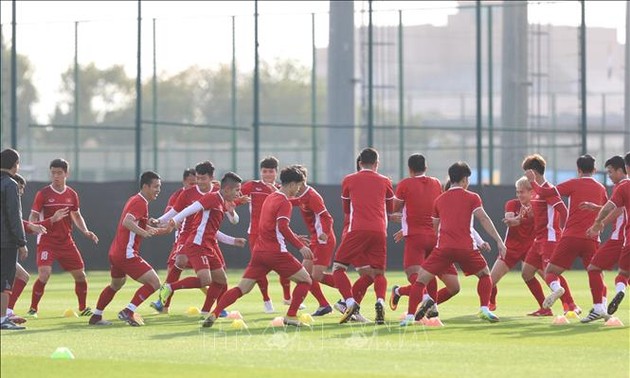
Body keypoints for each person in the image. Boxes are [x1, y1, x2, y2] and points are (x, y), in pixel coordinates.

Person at [201, 165, 313, 328]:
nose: (298, 189)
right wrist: (300, 246)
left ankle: (215, 313)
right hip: (276, 253)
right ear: (291, 184)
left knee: (242, 288)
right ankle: (291, 316)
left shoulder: (271, 197)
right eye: (298, 185)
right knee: (306, 281)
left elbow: (270, 226)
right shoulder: (284, 202)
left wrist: (294, 236)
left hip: (259, 252)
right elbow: (282, 227)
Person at [403, 161, 506, 325]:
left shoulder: (439, 200)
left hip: (443, 249)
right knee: (485, 275)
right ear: (465, 180)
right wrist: (499, 241)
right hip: (467, 248)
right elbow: (484, 219)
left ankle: (408, 317)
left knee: (421, 280)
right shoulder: (473, 197)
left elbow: (435, 228)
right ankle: (484, 309)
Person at [525, 155, 608, 318]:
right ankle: (600, 307)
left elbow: (544, 192)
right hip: (592, 237)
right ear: (595, 170)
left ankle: (557, 289)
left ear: (578, 170)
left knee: (551, 272)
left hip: (570, 237)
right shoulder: (601, 188)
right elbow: (606, 209)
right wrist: (599, 224)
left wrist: (533, 181)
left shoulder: (573, 183)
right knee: (596, 272)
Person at [157, 172, 247, 316]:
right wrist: (175, 219)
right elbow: (191, 208)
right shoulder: (212, 198)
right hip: (197, 244)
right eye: (237, 189)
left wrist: (233, 241)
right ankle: (169, 287)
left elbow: (214, 229)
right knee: (205, 280)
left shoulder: (221, 202)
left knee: (221, 280)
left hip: (209, 246)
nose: (239, 193)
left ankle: (205, 312)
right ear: (227, 189)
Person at [88, 171, 170, 326]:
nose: (158, 190)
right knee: (154, 282)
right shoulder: (140, 202)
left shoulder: (137, 200)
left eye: (159, 187)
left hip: (116, 252)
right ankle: (128, 311)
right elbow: (127, 221)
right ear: (145, 186)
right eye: (156, 186)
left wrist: (161, 230)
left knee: (116, 285)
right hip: (126, 254)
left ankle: (96, 316)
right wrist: (144, 232)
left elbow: (138, 223)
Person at [388, 154, 460, 319]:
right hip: (436, 238)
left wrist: (401, 221)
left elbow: (395, 208)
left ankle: (421, 297)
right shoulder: (436, 183)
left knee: (413, 274)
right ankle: (431, 306)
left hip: (416, 237)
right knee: (452, 286)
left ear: (409, 169)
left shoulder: (405, 184)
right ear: (426, 168)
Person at [27, 158, 99, 318]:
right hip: (47, 240)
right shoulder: (43, 194)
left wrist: (86, 231)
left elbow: (77, 215)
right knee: (44, 274)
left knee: (81, 275)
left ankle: (83, 308)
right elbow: (33, 215)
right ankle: (33, 309)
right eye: (53, 173)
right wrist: (32, 225)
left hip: (66, 241)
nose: (56, 176)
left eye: (59, 173)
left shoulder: (71, 194)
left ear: (66, 173)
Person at [333, 147, 395, 325]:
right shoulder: (385, 181)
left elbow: (346, 210)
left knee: (338, 268)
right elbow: (390, 210)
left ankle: (349, 303)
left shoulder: (349, 180)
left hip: (357, 229)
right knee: (378, 273)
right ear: (377, 164)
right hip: (379, 231)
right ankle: (380, 301)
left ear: (360, 163)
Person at [149, 162, 218, 314]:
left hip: (208, 237)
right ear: (185, 182)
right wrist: (159, 221)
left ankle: (219, 305)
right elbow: (174, 212)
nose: (197, 183)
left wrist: (234, 211)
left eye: (200, 179)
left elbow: (230, 202)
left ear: (211, 178)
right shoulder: (185, 194)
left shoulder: (217, 191)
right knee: (177, 263)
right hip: (186, 234)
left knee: (212, 278)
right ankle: (163, 303)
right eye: (194, 181)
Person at [236, 156, 297, 313]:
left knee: (285, 264)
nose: (267, 174)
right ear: (260, 172)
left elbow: (293, 202)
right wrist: (237, 201)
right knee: (260, 268)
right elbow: (233, 196)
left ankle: (287, 297)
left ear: (276, 172)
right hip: (256, 234)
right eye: (264, 171)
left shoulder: (281, 189)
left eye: (271, 171)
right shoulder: (253, 186)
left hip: (276, 233)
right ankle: (266, 300)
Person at [519, 154, 578, 316]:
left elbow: (563, 211)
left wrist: (567, 231)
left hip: (550, 239)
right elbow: (543, 214)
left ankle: (571, 305)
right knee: (526, 273)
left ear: (533, 172)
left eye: (526, 172)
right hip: (539, 240)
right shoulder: (538, 192)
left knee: (551, 274)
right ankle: (545, 309)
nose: (524, 176)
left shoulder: (548, 190)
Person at [7, 174, 69, 323]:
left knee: (22, 276)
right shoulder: (9, 199)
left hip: (6, 249)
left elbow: (20, 222)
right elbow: (14, 222)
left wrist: (38, 225)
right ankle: (6, 313)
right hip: (4, 249)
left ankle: (7, 312)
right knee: (9, 280)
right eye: (20, 188)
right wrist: (22, 243)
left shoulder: (11, 201)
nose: (21, 192)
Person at [586, 152, 630, 320]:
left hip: (620, 238)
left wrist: (598, 223)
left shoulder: (623, 187)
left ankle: (598, 308)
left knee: (594, 268)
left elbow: (615, 208)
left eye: (611, 171)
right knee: (626, 275)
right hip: (622, 238)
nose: (609, 175)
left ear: (623, 169)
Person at [290, 165, 337, 317]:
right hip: (315, 240)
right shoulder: (302, 195)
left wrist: (324, 232)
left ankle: (351, 295)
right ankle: (324, 305)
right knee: (303, 276)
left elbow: (327, 217)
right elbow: (296, 201)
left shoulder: (312, 196)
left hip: (324, 239)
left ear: (301, 181)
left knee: (316, 276)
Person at [488, 176, 535, 311]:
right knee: (491, 281)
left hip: (530, 249)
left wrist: (526, 217)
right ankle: (491, 304)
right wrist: (518, 218)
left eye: (522, 192)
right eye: (517, 192)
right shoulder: (512, 204)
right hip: (511, 248)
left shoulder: (537, 206)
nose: (519, 195)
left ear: (531, 192)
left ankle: (563, 305)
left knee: (548, 275)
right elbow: (509, 220)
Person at [0, 149, 28, 330]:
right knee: (5, 282)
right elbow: (14, 216)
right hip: (5, 242)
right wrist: (22, 242)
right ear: (14, 164)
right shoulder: (10, 184)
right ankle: (3, 319)